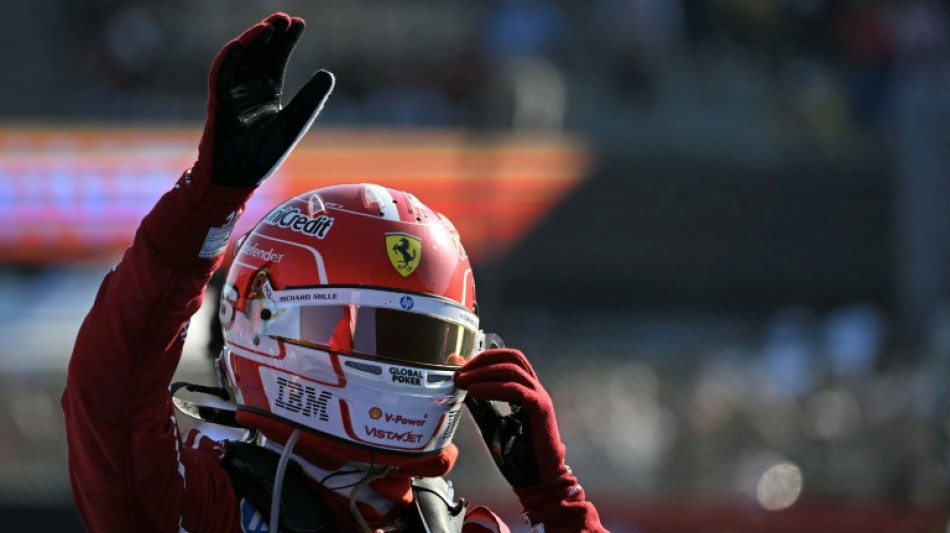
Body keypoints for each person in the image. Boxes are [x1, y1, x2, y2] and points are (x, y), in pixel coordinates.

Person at [62, 12, 607, 533]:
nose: (411, 370)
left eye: (435, 342)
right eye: (380, 335)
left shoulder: (459, 524)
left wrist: (555, 502)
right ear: (271, 326)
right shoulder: (205, 509)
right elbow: (110, 396)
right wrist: (207, 204)